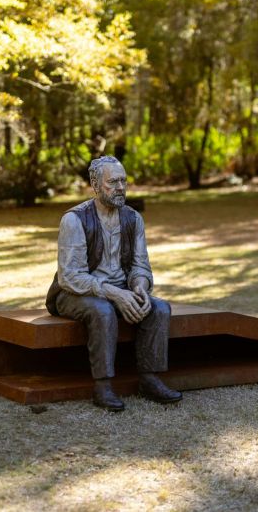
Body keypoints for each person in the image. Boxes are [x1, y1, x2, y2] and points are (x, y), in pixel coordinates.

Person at [45, 156, 182, 411]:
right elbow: (70, 276)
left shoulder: (133, 219)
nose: (120, 187)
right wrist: (112, 293)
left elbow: (141, 266)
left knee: (159, 308)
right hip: (75, 292)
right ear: (95, 185)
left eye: (123, 181)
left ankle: (150, 380)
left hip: (119, 289)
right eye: (113, 182)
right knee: (102, 310)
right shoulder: (74, 220)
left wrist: (139, 286)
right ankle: (103, 386)